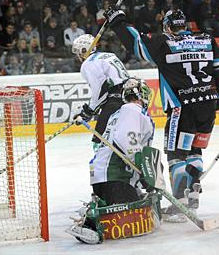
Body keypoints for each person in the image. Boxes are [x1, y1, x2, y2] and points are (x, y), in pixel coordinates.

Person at [104, 8, 219, 222]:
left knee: (175, 155)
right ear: (186, 26)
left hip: (182, 107)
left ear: (168, 27)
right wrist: (216, 94)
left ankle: (180, 204)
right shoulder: (206, 40)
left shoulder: (165, 42)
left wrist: (117, 21)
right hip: (208, 106)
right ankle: (193, 191)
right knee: (195, 150)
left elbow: (136, 43)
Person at [67, 78, 160, 244]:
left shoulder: (122, 112)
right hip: (115, 176)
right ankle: (91, 220)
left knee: (141, 211)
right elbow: (127, 140)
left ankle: (100, 204)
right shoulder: (132, 110)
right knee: (131, 220)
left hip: (109, 175)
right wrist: (142, 167)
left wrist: (146, 175)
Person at [71, 34, 130, 147]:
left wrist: (88, 111)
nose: (78, 55)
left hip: (115, 100)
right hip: (130, 96)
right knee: (123, 139)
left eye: (78, 52)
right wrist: (89, 112)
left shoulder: (88, 64)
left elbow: (101, 91)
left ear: (84, 50)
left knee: (99, 143)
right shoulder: (108, 55)